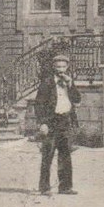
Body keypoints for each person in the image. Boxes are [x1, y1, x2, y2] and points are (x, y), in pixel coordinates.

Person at [34, 50, 81, 195]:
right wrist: (42, 123)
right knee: (47, 155)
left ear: (67, 67)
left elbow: (77, 100)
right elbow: (39, 104)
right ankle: (44, 188)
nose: (61, 70)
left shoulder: (69, 81)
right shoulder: (47, 82)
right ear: (53, 67)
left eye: (63, 67)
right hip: (51, 122)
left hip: (65, 121)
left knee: (65, 155)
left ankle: (65, 187)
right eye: (58, 67)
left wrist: (71, 85)